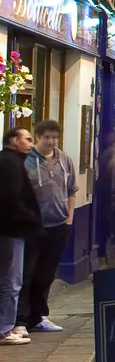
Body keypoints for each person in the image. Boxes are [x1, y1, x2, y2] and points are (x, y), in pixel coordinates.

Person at [20, 121, 77, 333]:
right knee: (27, 272)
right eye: (47, 137)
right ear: (37, 137)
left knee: (46, 273)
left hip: (59, 224)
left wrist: (69, 217)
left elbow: (71, 190)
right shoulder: (26, 160)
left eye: (55, 137)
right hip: (32, 226)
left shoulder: (64, 159)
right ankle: (22, 320)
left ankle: (40, 315)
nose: (51, 141)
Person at [0, 128, 38, 345]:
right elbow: (12, 198)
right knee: (11, 280)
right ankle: (5, 329)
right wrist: (31, 220)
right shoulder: (11, 163)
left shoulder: (9, 161)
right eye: (27, 139)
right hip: (12, 230)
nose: (31, 144)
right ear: (14, 141)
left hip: (10, 229)